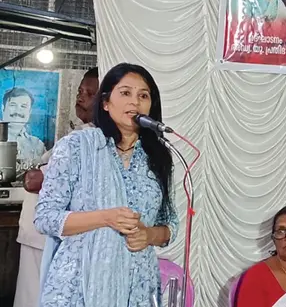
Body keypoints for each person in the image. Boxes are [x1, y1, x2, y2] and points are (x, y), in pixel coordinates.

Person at [34, 63, 178, 307]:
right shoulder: (77, 147)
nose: (135, 102)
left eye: (143, 95)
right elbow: (45, 218)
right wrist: (105, 217)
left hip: (137, 287)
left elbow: (170, 224)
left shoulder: (159, 157)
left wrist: (148, 234)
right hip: (77, 286)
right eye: (125, 93)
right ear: (105, 103)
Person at [13, 68, 98, 307]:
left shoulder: (87, 139)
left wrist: (35, 172)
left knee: (32, 298)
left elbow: (33, 181)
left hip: (47, 238)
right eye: (80, 91)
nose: (81, 98)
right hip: (38, 235)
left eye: (90, 93)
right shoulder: (79, 135)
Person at [2, 87, 46, 166]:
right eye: (13, 105)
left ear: (30, 112)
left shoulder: (37, 145)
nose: (18, 111)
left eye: (23, 106)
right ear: (3, 109)